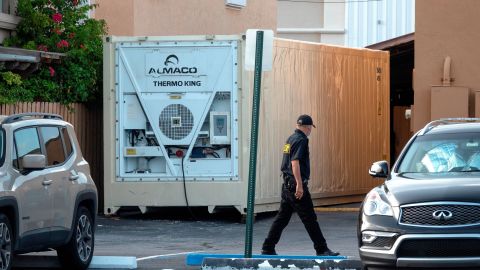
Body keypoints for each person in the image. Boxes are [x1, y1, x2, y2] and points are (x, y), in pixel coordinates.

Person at [261, 114, 340, 256]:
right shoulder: (302, 140)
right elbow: (295, 162)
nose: (310, 131)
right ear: (307, 127)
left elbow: (287, 159)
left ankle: (267, 248)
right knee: (310, 218)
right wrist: (299, 185)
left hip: (286, 185)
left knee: (282, 218)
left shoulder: (290, 139)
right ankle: (321, 249)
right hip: (294, 185)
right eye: (310, 128)